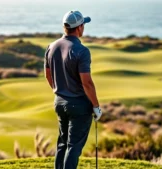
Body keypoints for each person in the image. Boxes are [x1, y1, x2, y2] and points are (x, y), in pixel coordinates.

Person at [44, 10, 103, 169]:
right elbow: (87, 83)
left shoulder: (52, 47)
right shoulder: (82, 51)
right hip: (79, 106)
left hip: (59, 103)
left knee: (62, 144)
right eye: (83, 24)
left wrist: (60, 92)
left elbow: (48, 76)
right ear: (79, 27)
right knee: (73, 146)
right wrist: (96, 107)